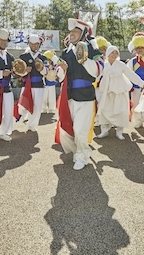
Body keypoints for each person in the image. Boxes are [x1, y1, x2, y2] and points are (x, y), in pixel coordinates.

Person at [56, 18, 102, 171]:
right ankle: (78, 151)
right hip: (69, 95)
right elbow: (59, 75)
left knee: (80, 130)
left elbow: (99, 70)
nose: (72, 34)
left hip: (86, 95)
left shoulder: (92, 49)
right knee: (66, 129)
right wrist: (61, 69)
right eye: (71, 31)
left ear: (83, 33)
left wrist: (85, 59)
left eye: (75, 31)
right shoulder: (66, 52)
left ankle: (83, 156)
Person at [96, 45, 144, 140]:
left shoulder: (120, 64)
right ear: (108, 53)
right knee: (105, 110)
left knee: (121, 110)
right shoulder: (103, 64)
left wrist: (142, 83)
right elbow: (96, 75)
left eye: (116, 53)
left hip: (120, 91)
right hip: (107, 91)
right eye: (112, 52)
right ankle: (104, 130)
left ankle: (119, 131)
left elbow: (131, 74)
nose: (114, 55)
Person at [17, 34, 48, 132]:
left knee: (37, 107)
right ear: (29, 44)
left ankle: (32, 125)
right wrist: (25, 71)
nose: (34, 46)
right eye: (32, 44)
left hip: (39, 85)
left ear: (39, 44)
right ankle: (20, 117)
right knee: (22, 105)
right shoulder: (23, 56)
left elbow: (46, 72)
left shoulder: (43, 57)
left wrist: (41, 69)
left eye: (36, 44)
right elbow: (18, 71)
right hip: (26, 85)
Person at [42, 50, 59, 115]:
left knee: (51, 97)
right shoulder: (45, 64)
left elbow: (56, 72)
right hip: (45, 83)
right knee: (44, 97)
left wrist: (52, 69)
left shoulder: (55, 65)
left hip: (52, 83)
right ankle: (44, 108)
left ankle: (51, 109)